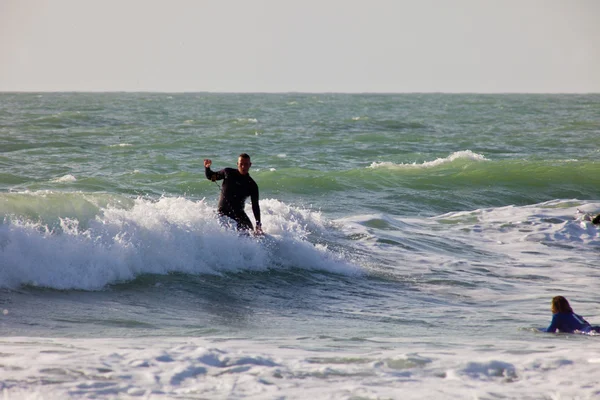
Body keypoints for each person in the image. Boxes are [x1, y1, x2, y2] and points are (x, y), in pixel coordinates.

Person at [204, 153, 262, 234]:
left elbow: (255, 206)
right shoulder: (228, 173)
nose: (243, 167)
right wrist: (207, 168)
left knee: (251, 233)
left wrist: (258, 224)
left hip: (239, 214)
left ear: (250, 165)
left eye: (246, 164)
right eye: (241, 164)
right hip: (223, 213)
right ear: (237, 164)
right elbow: (211, 176)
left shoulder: (252, 185)